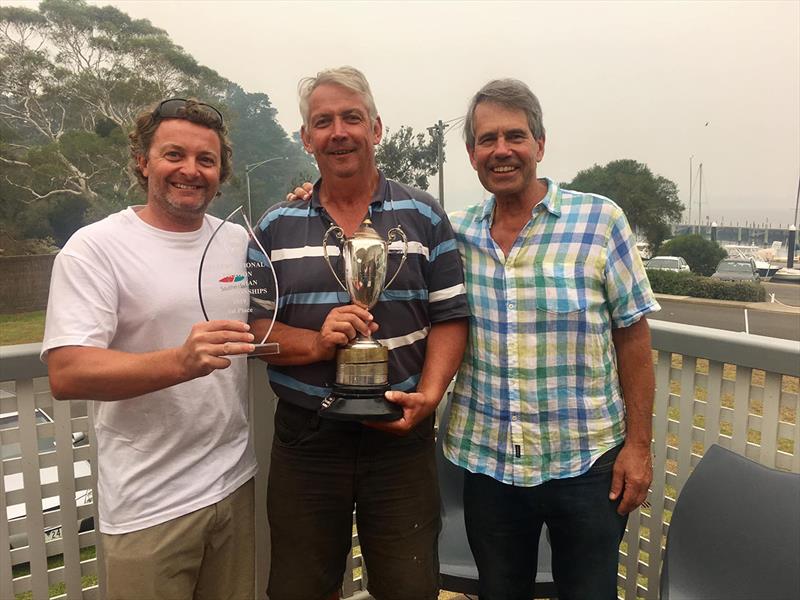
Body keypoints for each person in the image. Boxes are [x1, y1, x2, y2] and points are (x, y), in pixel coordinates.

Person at [251, 66, 469, 600]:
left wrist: (430, 395)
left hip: (399, 431)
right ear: (307, 138)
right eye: (322, 121)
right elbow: (256, 332)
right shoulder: (276, 224)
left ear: (376, 128)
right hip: (308, 436)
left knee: (409, 584)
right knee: (301, 586)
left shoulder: (423, 214)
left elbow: (449, 317)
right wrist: (316, 342)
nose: (338, 131)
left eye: (352, 117)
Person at [444, 79, 660, 600]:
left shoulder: (599, 221)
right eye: (487, 139)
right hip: (489, 465)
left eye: (515, 136)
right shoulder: (455, 235)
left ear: (540, 145)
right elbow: (382, 234)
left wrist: (638, 446)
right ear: (472, 154)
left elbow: (633, 338)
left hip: (587, 465)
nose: (501, 150)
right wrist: (312, 194)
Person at [41, 98, 258, 600]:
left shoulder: (237, 242)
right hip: (148, 506)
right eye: (174, 154)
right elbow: (67, 373)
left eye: (206, 159)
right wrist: (179, 363)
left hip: (233, 484)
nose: (191, 170)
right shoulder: (94, 248)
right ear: (143, 161)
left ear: (221, 170)